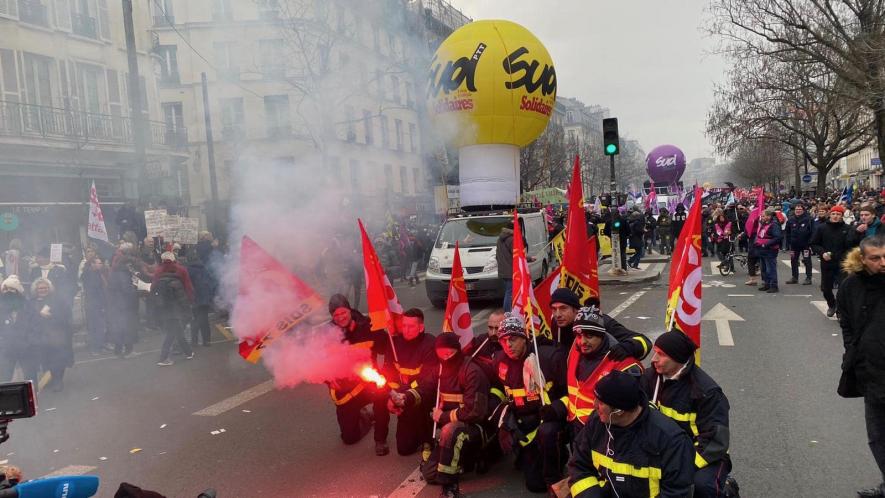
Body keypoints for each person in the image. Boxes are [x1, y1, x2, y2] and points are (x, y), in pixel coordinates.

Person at [567, 370, 695, 498]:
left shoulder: (671, 440)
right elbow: (579, 466)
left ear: (619, 411)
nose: (594, 405)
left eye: (600, 402)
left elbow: (677, 493)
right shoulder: (596, 423)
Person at [640, 331, 735, 498]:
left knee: (703, 487)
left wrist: (682, 464)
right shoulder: (649, 378)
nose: (653, 359)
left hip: (700, 454)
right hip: (660, 450)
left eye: (661, 354)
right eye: (655, 352)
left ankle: (727, 490)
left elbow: (715, 441)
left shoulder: (707, 392)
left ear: (677, 358)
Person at [492, 314, 568, 493]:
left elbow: (571, 393)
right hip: (522, 422)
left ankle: (554, 476)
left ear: (525, 337)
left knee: (547, 434)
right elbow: (504, 395)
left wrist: (556, 409)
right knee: (533, 481)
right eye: (503, 340)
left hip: (548, 420)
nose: (508, 345)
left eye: (513, 339)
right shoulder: (500, 361)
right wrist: (504, 423)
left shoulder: (548, 359)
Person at [546, 308, 648, 438]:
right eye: (578, 335)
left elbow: (634, 412)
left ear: (602, 335)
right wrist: (559, 406)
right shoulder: (575, 351)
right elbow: (577, 393)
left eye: (589, 336)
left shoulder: (622, 363)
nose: (582, 341)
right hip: (575, 426)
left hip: (603, 433)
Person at [836, 234, 885, 498]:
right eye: (876, 258)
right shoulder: (850, 286)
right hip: (870, 371)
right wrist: (852, 348)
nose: (883, 262)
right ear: (863, 259)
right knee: (877, 436)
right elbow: (846, 321)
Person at [414, 333, 491, 498]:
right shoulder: (439, 370)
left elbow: (475, 412)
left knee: (450, 430)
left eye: (449, 353)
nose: (445, 357)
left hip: (474, 428)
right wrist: (404, 397)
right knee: (430, 474)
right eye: (441, 353)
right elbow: (425, 388)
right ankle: (463, 462)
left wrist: (443, 417)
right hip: (452, 430)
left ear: (458, 350)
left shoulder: (472, 372)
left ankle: (449, 487)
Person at [328, 294, 391, 455]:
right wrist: (329, 380)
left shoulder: (367, 327)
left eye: (343, 313)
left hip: (370, 381)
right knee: (349, 438)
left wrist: (382, 331)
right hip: (348, 388)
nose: (340, 317)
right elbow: (322, 363)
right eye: (336, 315)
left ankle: (380, 440)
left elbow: (387, 349)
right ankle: (365, 417)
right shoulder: (329, 335)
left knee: (381, 394)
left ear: (350, 311)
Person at [386, 308, 438, 457]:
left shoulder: (430, 345)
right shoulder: (394, 343)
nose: (406, 330)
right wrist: (390, 398)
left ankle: (428, 436)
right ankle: (415, 432)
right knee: (404, 449)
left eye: (411, 326)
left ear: (421, 327)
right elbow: (388, 373)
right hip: (402, 398)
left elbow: (426, 381)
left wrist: (403, 394)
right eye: (404, 325)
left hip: (423, 398)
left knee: (422, 403)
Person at [810, 205, 859, 316]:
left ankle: (840, 310)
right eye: (833, 214)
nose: (835, 216)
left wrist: (857, 233)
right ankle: (832, 304)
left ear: (842, 216)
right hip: (827, 262)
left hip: (842, 262)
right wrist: (822, 253)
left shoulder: (847, 228)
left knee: (842, 287)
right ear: (830, 215)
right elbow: (813, 243)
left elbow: (852, 244)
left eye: (838, 214)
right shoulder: (822, 228)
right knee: (826, 289)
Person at [28, 278, 73, 392]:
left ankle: (58, 381)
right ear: (36, 290)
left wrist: (51, 316)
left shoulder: (57, 300)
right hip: (40, 335)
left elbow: (66, 315)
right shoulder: (32, 301)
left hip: (57, 334)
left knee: (58, 359)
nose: (42, 290)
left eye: (45, 288)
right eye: (40, 288)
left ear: (49, 288)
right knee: (45, 360)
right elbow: (29, 317)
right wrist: (39, 316)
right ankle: (51, 379)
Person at [151, 252, 194, 366]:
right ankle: (163, 358)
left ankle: (188, 352)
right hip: (176, 308)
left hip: (164, 308)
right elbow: (187, 289)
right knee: (172, 332)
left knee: (177, 330)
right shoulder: (180, 271)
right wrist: (189, 304)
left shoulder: (158, 271)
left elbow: (153, 288)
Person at [0, 276, 37, 383]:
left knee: (30, 375)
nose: (8, 292)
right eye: (5, 289)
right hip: (6, 349)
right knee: (5, 377)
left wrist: (30, 341)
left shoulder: (27, 305)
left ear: (18, 291)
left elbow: (35, 325)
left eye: (11, 289)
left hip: (27, 348)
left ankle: (33, 396)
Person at [107, 256, 138, 358]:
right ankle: (129, 351)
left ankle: (118, 350)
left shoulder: (114, 273)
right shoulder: (123, 274)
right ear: (127, 265)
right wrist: (135, 289)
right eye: (130, 265)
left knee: (118, 327)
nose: (131, 267)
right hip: (124, 304)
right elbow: (126, 290)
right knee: (127, 327)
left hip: (114, 304)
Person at [186, 255, 216, 347]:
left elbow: (187, 285)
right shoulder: (205, 269)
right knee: (204, 320)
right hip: (205, 299)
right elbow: (212, 283)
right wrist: (210, 296)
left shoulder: (188, 270)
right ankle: (207, 341)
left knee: (194, 319)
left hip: (194, 298)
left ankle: (194, 341)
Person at [80, 256, 108, 355]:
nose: (101, 265)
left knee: (100, 326)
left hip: (96, 303)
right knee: (95, 327)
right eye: (98, 263)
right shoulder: (90, 275)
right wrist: (101, 304)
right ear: (92, 264)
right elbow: (95, 291)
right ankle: (95, 348)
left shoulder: (96, 273)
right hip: (93, 304)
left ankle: (100, 345)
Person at [785, 203, 814, 285]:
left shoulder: (809, 219)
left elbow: (813, 232)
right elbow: (787, 232)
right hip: (794, 245)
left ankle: (808, 278)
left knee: (807, 261)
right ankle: (794, 277)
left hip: (805, 244)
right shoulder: (791, 219)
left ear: (803, 210)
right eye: (796, 209)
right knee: (793, 261)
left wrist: (810, 243)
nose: (798, 211)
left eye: (800, 209)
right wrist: (789, 242)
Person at [755, 207, 783, 293]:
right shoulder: (764, 224)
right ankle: (766, 284)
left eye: (763, 216)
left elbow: (778, 237)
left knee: (770, 268)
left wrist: (766, 244)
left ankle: (774, 285)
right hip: (762, 249)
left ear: (768, 216)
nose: (762, 217)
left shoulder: (774, 225)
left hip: (770, 249)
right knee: (763, 268)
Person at [497, 221, 516, 312]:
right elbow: (515, 254)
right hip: (510, 270)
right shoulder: (511, 239)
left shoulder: (499, 239)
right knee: (509, 292)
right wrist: (529, 258)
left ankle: (508, 310)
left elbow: (497, 255)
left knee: (507, 291)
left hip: (502, 270)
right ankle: (507, 312)